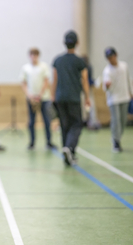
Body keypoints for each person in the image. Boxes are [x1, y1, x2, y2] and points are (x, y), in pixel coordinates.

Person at [51, 30, 90, 166]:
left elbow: (54, 80)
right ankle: (69, 148)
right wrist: (87, 97)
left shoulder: (57, 60)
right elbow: (85, 80)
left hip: (60, 97)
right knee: (76, 124)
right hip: (73, 98)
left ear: (64, 43)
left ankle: (68, 155)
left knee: (65, 125)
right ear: (77, 43)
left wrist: (52, 96)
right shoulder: (80, 62)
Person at [20, 48, 56, 150]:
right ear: (29, 56)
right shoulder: (26, 68)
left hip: (43, 98)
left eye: (35, 55)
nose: (33, 57)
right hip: (31, 98)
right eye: (32, 55)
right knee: (31, 122)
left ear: (38, 56)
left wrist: (40, 94)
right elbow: (23, 83)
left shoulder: (43, 67)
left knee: (47, 120)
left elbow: (46, 81)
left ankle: (49, 142)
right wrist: (29, 95)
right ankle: (32, 142)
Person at [102, 47, 133, 152]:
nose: (110, 59)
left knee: (122, 120)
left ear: (115, 55)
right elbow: (105, 87)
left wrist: (132, 93)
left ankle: (117, 138)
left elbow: (128, 79)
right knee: (116, 120)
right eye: (108, 58)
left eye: (111, 57)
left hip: (124, 97)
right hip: (113, 99)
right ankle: (116, 142)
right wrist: (107, 86)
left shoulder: (124, 66)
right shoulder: (107, 71)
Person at [81, 55, 100, 130]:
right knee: (85, 107)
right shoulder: (82, 67)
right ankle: (85, 121)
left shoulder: (88, 67)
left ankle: (92, 122)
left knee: (90, 106)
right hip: (83, 90)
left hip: (87, 89)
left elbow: (87, 80)